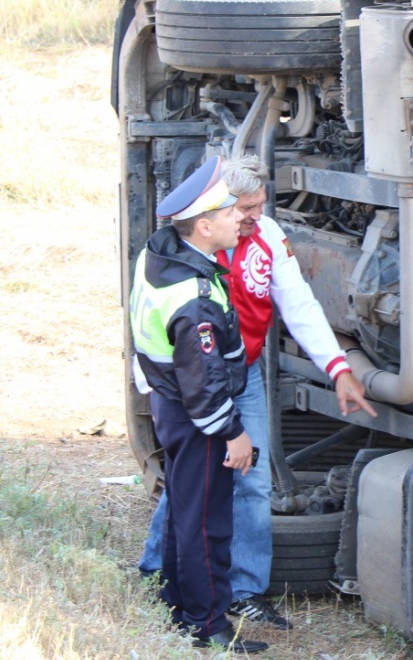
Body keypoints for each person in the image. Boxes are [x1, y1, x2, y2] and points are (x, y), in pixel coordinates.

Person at [138, 154, 377, 630]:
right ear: (213, 211)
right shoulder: (188, 251)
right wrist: (152, 381)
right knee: (193, 480)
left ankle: (243, 590)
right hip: (194, 384)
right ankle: (160, 574)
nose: (252, 217)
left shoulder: (265, 237)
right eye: (242, 208)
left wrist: (338, 368)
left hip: (238, 376)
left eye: (259, 206)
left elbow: (298, 303)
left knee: (249, 483)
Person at [129, 155, 268, 654]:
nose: (242, 220)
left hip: (169, 405)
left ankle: (174, 602)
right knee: (207, 522)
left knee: (185, 511)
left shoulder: (159, 253)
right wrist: (234, 433)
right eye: (232, 214)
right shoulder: (193, 297)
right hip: (197, 419)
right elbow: (204, 383)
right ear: (204, 225)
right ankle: (206, 625)